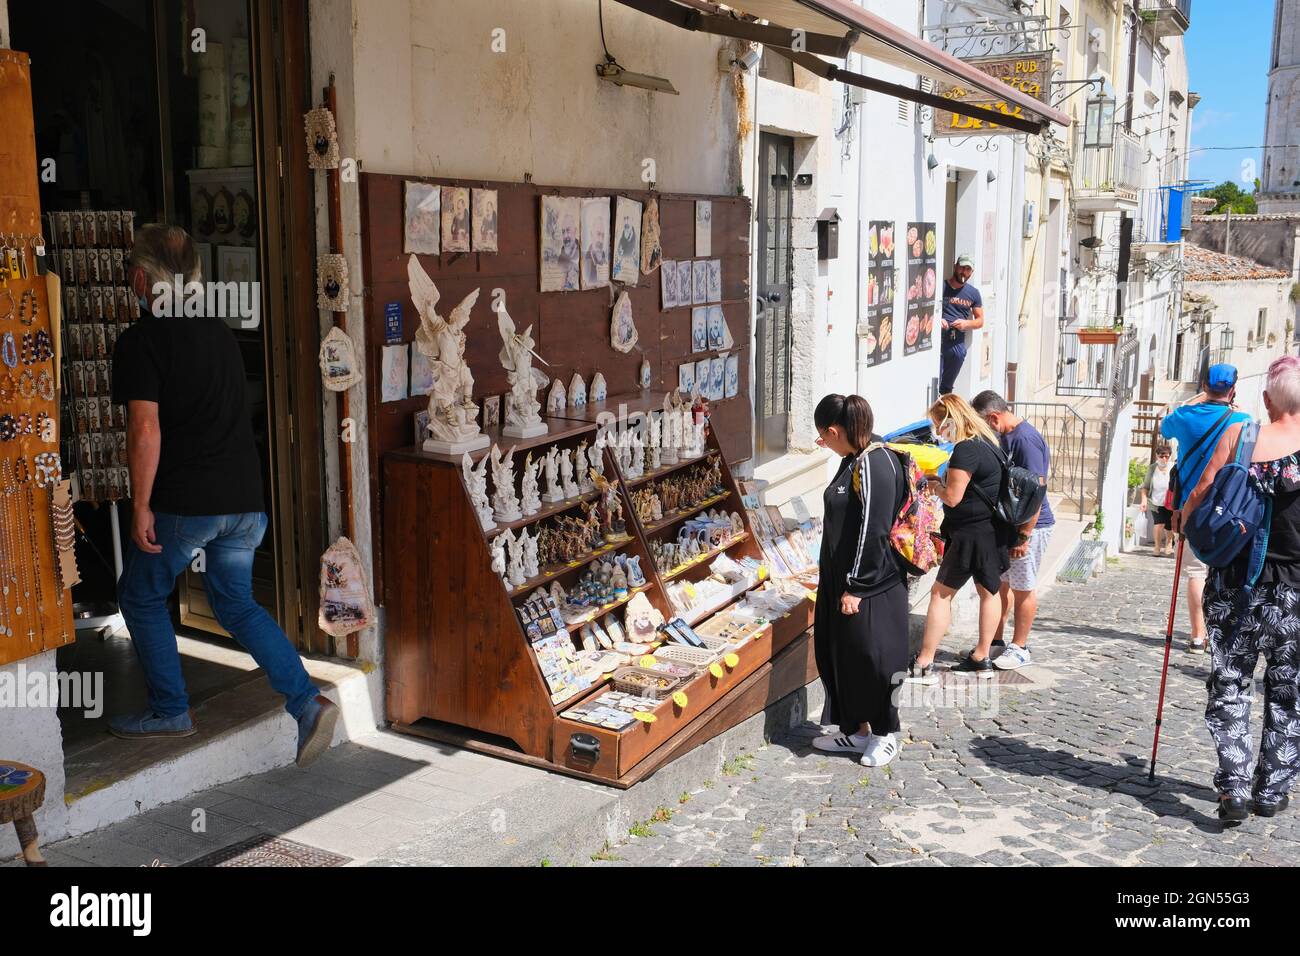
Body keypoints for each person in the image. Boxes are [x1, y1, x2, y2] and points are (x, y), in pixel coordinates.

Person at [111, 224, 338, 766]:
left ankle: (171, 710)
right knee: (235, 602)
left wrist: (140, 504)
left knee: (140, 594)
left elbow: (145, 429)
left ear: (140, 280)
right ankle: (306, 701)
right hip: (244, 499)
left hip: (187, 501)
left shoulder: (142, 341)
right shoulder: (218, 331)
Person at [1184, 355, 1300, 821]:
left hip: (1236, 586)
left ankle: (1234, 787)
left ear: (1267, 400)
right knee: (1289, 690)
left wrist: (1186, 526)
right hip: (1295, 594)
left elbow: (1201, 494)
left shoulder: (1240, 436)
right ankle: (1271, 789)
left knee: (1230, 682)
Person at [810, 394, 909, 767]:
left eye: (823, 437)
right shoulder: (854, 458)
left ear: (834, 431)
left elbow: (874, 530)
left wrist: (857, 586)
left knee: (875, 658)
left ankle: (885, 734)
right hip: (844, 580)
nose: (823, 443)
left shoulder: (874, 463)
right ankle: (857, 731)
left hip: (872, 584)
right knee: (846, 655)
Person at [908, 394, 1009, 682]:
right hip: (990, 531)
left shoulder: (966, 449)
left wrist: (935, 486)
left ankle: (925, 662)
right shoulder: (989, 442)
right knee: (989, 592)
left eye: (939, 425)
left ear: (952, 421)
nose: (939, 432)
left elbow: (953, 497)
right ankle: (982, 657)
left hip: (968, 534)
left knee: (940, 595)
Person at [1162, 364, 1250, 653]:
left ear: (1203, 385)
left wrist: (1197, 400)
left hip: (1192, 507)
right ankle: (1223, 633)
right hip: (1230, 508)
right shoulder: (1242, 420)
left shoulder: (1185, 416)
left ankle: (1198, 635)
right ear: (1233, 389)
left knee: (1196, 572)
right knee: (1226, 572)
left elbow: (1164, 427)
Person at [971, 390, 1053, 671]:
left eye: (983, 423)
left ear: (994, 418)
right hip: (1010, 526)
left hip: (1030, 527)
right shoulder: (1006, 437)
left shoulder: (1024, 440)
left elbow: (1037, 489)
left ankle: (1020, 647)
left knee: (1023, 588)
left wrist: (1024, 536)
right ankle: (996, 641)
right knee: (1002, 584)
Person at [939, 254, 984, 395]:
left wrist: (966, 324)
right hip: (939, 337)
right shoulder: (941, 286)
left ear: (972, 272)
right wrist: (937, 319)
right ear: (955, 266)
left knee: (957, 358)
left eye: (967, 269)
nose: (963, 272)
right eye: (961, 267)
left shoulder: (973, 293)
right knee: (934, 374)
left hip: (956, 339)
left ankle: (945, 395)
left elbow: (980, 320)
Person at [1139, 445, 1176, 557]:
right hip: (1155, 502)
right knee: (1159, 524)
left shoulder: (1174, 467)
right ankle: (1157, 546)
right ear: (1157, 456)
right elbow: (1145, 487)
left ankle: (1169, 543)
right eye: (1161, 456)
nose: (1164, 459)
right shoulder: (1152, 468)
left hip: (1171, 502)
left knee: (1169, 525)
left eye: (1167, 456)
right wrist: (1144, 501)